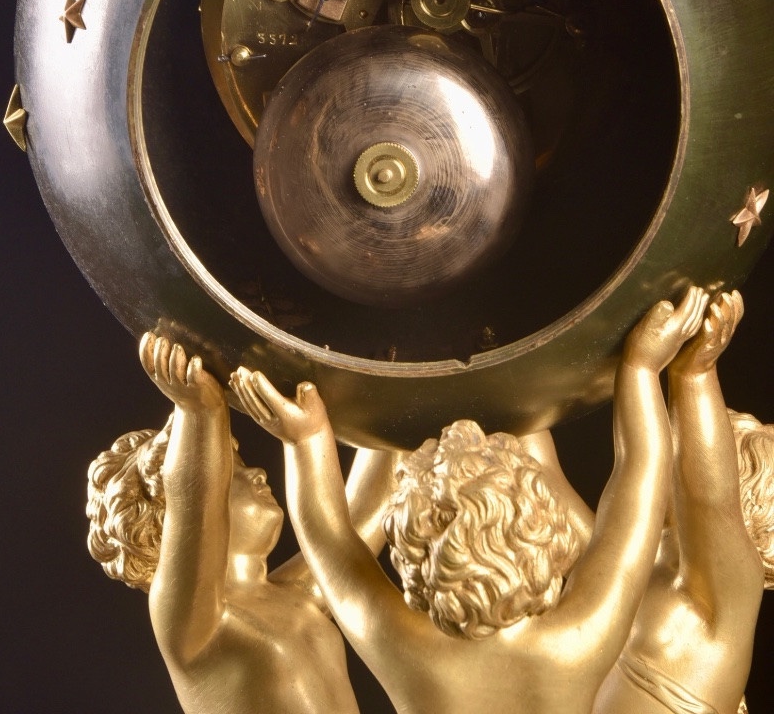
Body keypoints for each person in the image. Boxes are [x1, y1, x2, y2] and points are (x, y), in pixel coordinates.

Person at [231, 286, 708, 714]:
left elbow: (327, 536)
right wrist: (642, 368)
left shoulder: (410, 650)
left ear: (416, 550)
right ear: (543, 529)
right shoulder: (578, 639)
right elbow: (639, 477)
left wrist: (306, 441)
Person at [87, 333, 399, 714]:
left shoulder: (294, 597)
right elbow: (193, 490)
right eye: (232, 471)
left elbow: (359, 524)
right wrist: (199, 412)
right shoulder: (189, 626)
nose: (257, 474)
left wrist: (390, 402)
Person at [592, 290, 774, 714]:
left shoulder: (734, 590)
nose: (672, 446)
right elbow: (554, 502)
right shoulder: (643, 563)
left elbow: (709, 500)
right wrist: (525, 393)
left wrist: (693, 374)